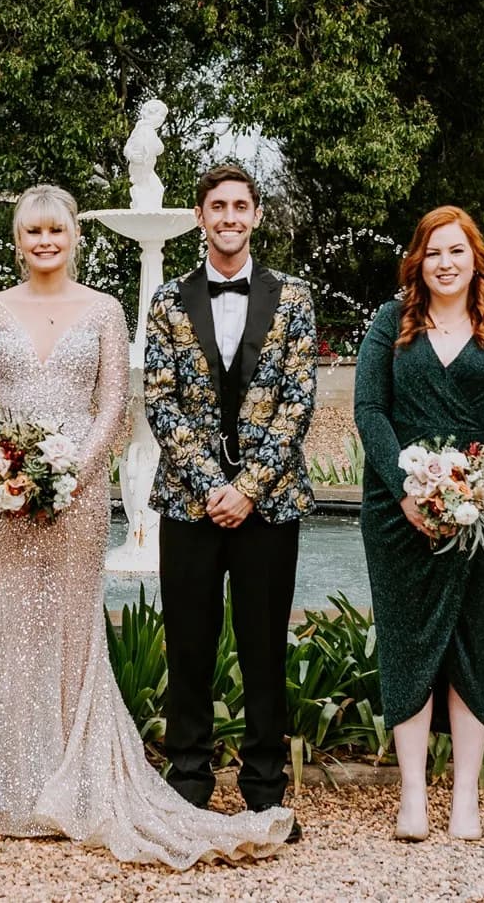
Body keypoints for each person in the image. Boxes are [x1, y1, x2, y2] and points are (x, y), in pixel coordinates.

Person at [0, 184, 292, 867]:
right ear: (18, 239)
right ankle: (8, 782)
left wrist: (69, 474)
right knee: (13, 618)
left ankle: (76, 775)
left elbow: (117, 407)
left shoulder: (103, 309)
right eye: (33, 232)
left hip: (79, 493)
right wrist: (8, 468)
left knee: (72, 621)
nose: (45, 242)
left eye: (56, 231)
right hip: (3, 491)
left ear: (75, 236)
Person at [143, 163, 318, 836]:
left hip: (269, 506)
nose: (229, 216)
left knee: (264, 645)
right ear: (199, 216)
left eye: (240, 205)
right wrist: (212, 485)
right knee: (188, 644)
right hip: (188, 504)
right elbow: (159, 401)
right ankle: (188, 776)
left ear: (257, 216)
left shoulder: (295, 298)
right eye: (217, 205)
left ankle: (265, 785)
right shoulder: (165, 300)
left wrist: (246, 488)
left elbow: (297, 403)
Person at [353, 206, 484, 841]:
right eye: (434, 252)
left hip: (482, 513)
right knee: (406, 641)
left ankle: (465, 800)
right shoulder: (389, 323)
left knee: (471, 641)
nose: (446, 263)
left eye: (457, 251)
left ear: (475, 259)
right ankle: (411, 799)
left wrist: (477, 486)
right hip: (396, 510)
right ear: (418, 261)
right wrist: (409, 488)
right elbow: (370, 409)